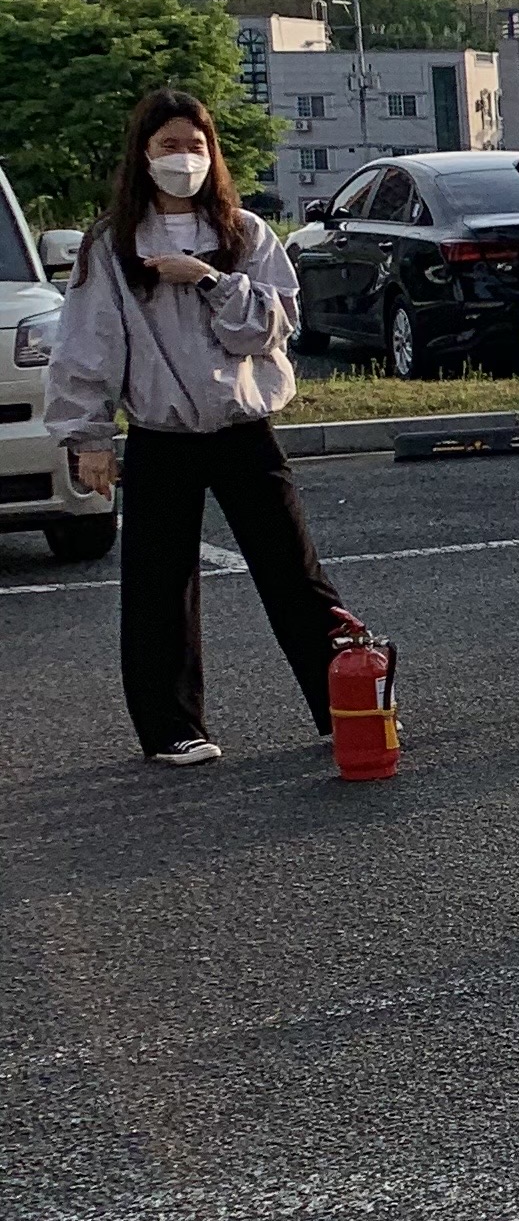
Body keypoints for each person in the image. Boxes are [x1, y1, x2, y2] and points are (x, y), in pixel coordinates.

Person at [43, 89, 348, 767]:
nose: (183, 159)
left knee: (294, 571)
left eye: (195, 146)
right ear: (143, 155)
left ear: (214, 155)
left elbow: (269, 329)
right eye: (168, 146)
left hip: (243, 427)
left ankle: (344, 706)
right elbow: (88, 346)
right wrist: (88, 437)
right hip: (162, 433)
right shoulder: (113, 243)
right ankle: (171, 727)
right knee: (158, 585)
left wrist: (209, 278)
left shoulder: (247, 233)